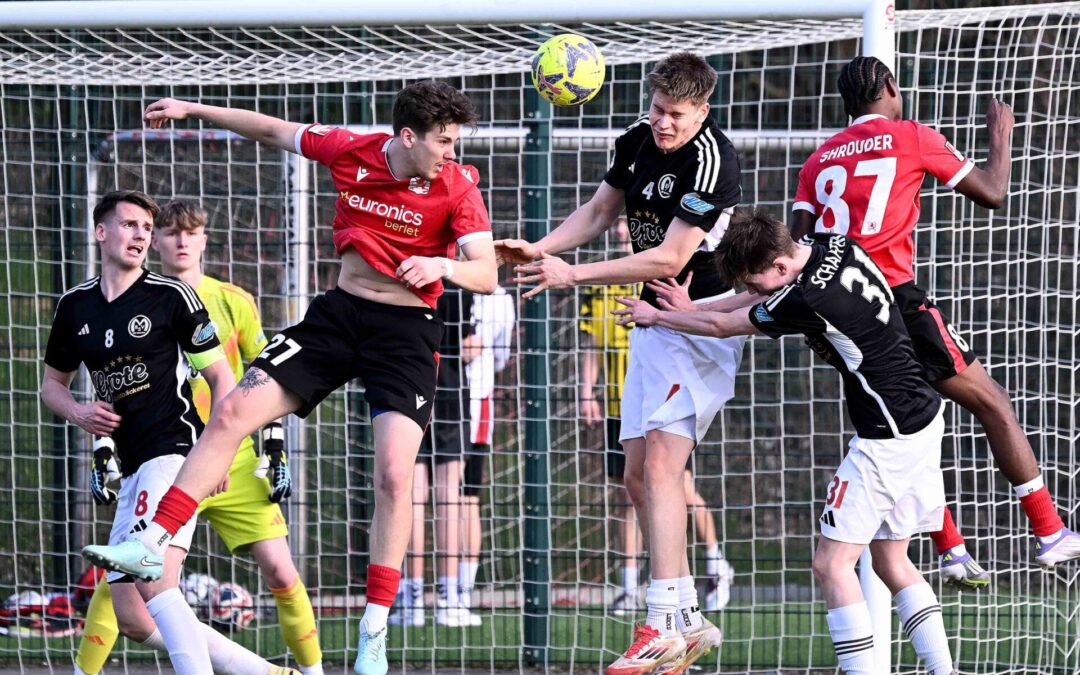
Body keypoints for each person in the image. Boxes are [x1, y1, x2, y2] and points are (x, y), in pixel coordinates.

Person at [80, 82, 498, 675]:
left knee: (394, 476)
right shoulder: (350, 148)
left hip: (407, 333)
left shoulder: (456, 187)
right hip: (338, 316)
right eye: (443, 141)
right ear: (408, 136)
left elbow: (486, 273)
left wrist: (441, 263)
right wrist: (194, 109)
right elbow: (272, 128)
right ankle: (151, 545)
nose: (450, 152)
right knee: (228, 414)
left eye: (455, 142)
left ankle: (373, 632)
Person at [615, 210, 958, 675]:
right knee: (893, 561)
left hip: (887, 436)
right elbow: (739, 305)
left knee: (831, 565)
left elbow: (724, 327)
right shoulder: (828, 243)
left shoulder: (809, 297)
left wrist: (660, 316)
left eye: (756, 285)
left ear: (779, 268)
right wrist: (691, 309)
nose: (754, 293)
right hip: (924, 414)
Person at [790, 55, 1079, 578]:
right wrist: (1001, 135)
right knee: (991, 401)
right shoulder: (912, 136)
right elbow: (993, 193)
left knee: (908, 418)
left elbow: (798, 242)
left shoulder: (816, 162)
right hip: (895, 296)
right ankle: (1049, 531)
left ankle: (950, 549)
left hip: (837, 308)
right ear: (891, 88)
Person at [500, 52, 741, 675]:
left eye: (677, 116)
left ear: (703, 111)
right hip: (650, 324)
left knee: (662, 467)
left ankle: (661, 620)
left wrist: (571, 273)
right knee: (635, 476)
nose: (664, 124)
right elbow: (601, 212)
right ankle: (686, 615)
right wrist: (541, 247)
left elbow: (668, 259)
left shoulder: (712, 159)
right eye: (658, 110)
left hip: (696, 319)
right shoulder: (636, 140)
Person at [42, 190, 298, 675]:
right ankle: (266, 673)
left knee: (157, 585)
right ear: (102, 232)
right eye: (130, 224)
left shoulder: (171, 296)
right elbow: (51, 386)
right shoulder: (75, 307)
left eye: (145, 226)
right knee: (133, 616)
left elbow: (224, 379)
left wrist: (215, 456)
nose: (140, 234)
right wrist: (79, 413)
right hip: (133, 464)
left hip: (174, 453)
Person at [578, 222, 733, 616]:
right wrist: (586, 390)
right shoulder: (605, 283)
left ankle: (706, 572)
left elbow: (721, 318)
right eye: (615, 221)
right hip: (626, 391)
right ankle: (636, 587)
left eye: (623, 222)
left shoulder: (672, 265)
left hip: (673, 378)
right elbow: (593, 344)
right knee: (631, 486)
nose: (618, 229)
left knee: (675, 484)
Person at [395, 285, 479, 628]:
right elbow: (471, 347)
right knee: (448, 496)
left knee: (412, 496)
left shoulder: (400, 273)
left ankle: (411, 599)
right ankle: (449, 599)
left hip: (404, 386)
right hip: (449, 391)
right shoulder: (460, 284)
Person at [459, 285, 516, 616]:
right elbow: (493, 355)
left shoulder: (499, 300)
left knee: (466, 497)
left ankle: (460, 593)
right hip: (435, 399)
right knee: (419, 495)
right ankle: (417, 596)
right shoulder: (441, 284)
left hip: (474, 401)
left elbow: (495, 356)